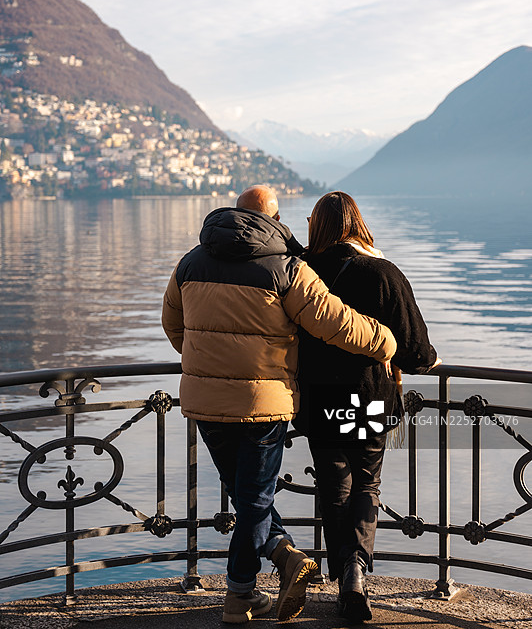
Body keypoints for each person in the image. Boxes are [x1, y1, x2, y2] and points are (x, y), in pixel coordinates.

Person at [162, 185, 397, 624]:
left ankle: (286, 558)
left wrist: (208, 366)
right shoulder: (286, 268)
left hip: (204, 402)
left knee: (242, 492)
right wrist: (385, 341)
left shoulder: (189, 263)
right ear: (273, 219)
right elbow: (335, 322)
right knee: (253, 500)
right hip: (262, 404)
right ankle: (241, 594)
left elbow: (174, 326)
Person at [293, 191, 439, 625]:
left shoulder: (300, 273)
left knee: (334, 485)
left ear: (315, 226)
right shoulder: (382, 272)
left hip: (317, 401)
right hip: (369, 400)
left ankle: (345, 577)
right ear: (359, 223)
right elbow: (415, 350)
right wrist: (427, 361)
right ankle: (356, 571)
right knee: (366, 486)